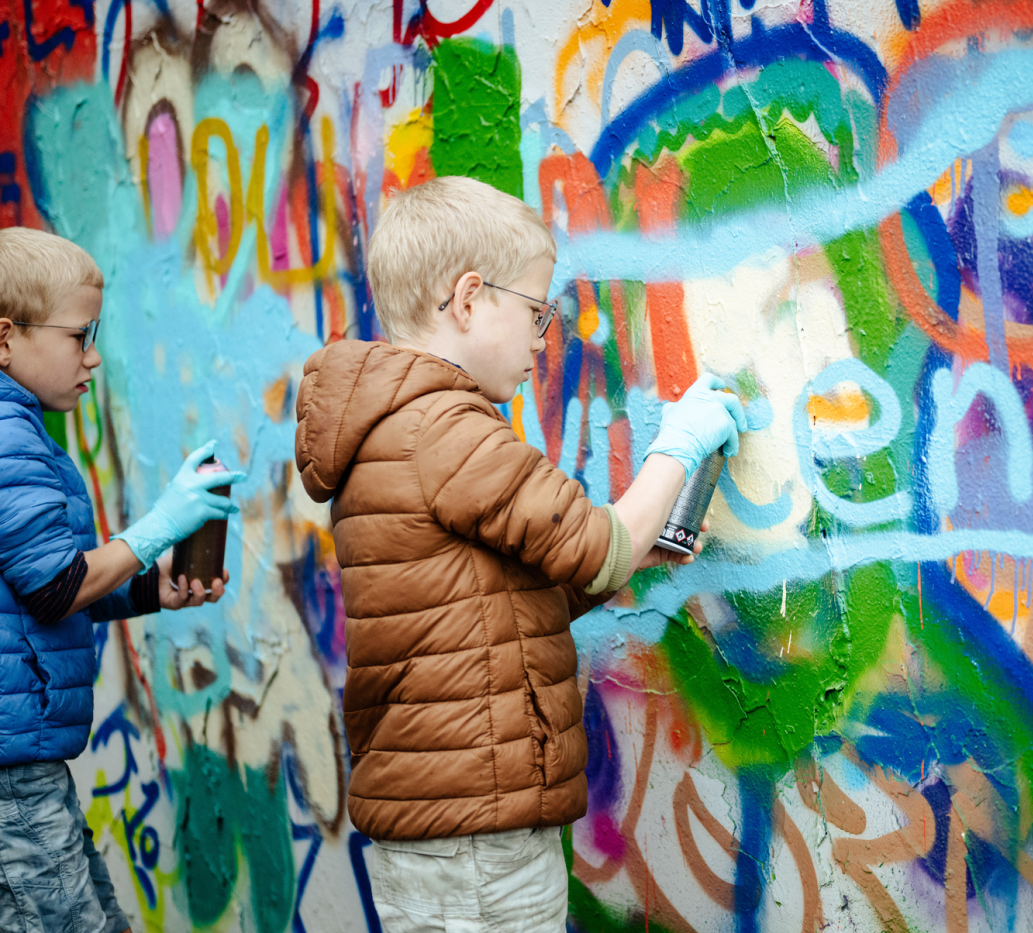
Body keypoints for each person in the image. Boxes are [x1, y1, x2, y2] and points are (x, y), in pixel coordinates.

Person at [294, 175, 746, 932]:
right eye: (537, 313)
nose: (543, 339)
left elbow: (495, 602)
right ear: (469, 299)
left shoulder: (399, 428)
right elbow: (599, 547)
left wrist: (639, 556)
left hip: (449, 824)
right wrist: (679, 444)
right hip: (476, 835)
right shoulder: (447, 428)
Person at [0, 227, 244, 933]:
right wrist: (157, 529)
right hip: (14, 774)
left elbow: (35, 590)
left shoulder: (22, 428)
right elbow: (53, 587)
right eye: (81, 335)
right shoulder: (8, 434)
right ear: (6, 337)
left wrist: (148, 584)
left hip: (25, 763)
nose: (94, 354)